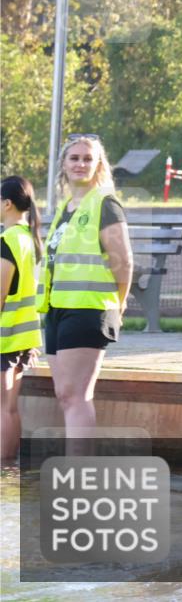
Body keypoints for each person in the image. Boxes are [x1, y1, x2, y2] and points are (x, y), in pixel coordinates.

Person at [38, 134, 133, 442]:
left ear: (99, 165)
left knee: (76, 395)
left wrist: (118, 305)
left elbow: (124, 261)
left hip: (88, 308)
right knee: (64, 394)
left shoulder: (104, 203)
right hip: (57, 309)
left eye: (88, 158)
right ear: (63, 165)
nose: (81, 163)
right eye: (74, 158)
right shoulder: (67, 207)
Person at [1, 176, 44, 462]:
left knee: (2, 408)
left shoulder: (7, 240)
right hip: (25, 337)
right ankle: (10, 471)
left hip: (4, 338)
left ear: (6, 204)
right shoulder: (29, 238)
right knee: (9, 407)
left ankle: (2, 471)